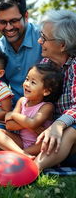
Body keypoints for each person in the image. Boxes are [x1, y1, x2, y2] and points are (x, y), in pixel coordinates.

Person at [32, 10, 76, 170]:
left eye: (44, 37)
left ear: (63, 45)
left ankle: (34, 168)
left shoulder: (75, 66)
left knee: (72, 131)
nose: (39, 41)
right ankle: (58, 157)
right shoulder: (45, 64)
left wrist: (58, 125)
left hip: (67, 129)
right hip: (50, 132)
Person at [0, 63, 63, 158]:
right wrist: (31, 125)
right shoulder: (22, 101)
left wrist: (13, 115)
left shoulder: (47, 107)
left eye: (33, 82)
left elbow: (32, 123)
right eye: (27, 79)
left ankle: (18, 153)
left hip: (38, 144)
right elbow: (9, 125)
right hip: (21, 141)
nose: (27, 84)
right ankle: (23, 154)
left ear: (46, 91)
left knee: (48, 143)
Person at [0, 0, 42, 107]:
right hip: (14, 110)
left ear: (26, 16)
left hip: (46, 111)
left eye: (14, 21)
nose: (9, 27)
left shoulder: (44, 38)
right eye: (2, 22)